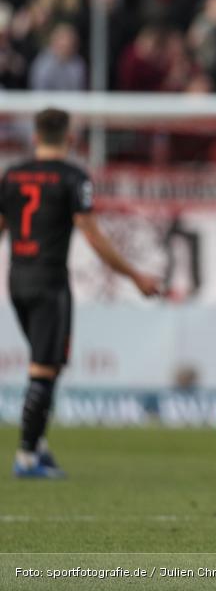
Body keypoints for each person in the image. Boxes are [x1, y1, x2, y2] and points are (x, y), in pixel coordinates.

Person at [0, 108, 160, 478]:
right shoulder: (73, 177)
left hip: (17, 279)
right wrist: (134, 274)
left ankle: (37, 445)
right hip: (49, 280)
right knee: (43, 367)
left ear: (35, 136)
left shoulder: (11, 175)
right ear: (70, 138)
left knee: (48, 365)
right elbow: (92, 235)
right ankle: (26, 458)